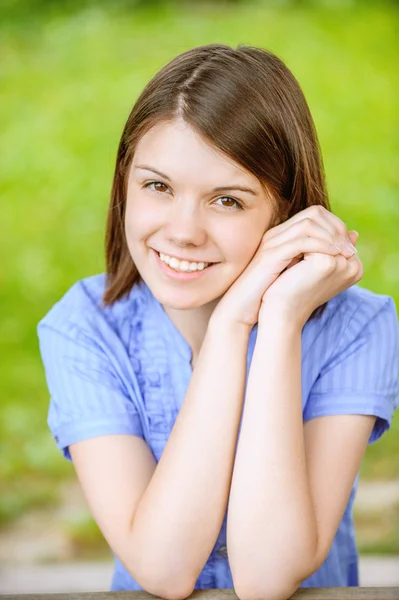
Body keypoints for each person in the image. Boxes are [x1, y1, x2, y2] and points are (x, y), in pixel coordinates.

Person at [37, 44, 399, 599]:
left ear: (286, 211)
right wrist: (232, 324)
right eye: (157, 186)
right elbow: (163, 567)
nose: (183, 231)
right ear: (124, 184)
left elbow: (268, 576)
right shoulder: (84, 329)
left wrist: (277, 321)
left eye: (227, 200)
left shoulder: (358, 328)